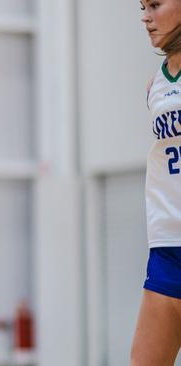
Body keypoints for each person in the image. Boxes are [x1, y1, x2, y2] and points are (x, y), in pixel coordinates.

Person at [132, 1, 181, 365]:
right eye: (142, 6)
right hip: (166, 245)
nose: (146, 16)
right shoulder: (157, 83)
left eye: (156, 4)